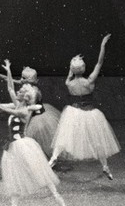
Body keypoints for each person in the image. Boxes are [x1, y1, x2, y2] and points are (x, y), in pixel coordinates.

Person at [0, 60, 66, 206]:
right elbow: (10, 88)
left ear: (25, 97)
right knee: (14, 179)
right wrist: (7, 70)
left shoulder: (24, 111)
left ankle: (57, 196)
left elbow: (5, 110)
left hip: (23, 146)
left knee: (39, 172)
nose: (18, 91)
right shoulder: (19, 104)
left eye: (21, 91)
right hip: (12, 148)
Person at [48, 34, 120, 180]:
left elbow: (70, 74)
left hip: (73, 112)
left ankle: (53, 158)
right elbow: (99, 63)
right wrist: (102, 46)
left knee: (64, 137)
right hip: (90, 113)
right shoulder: (89, 82)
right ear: (84, 68)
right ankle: (105, 166)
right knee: (98, 141)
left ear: (72, 70)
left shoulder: (69, 83)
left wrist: (71, 63)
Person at [0, 61, 60, 157]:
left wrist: (30, 107)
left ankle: (45, 155)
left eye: (23, 78)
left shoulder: (32, 90)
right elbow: (9, 84)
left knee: (35, 137)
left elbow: (28, 102)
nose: (21, 80)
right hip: (25, 108)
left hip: (34, 113)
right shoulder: (24, 86)